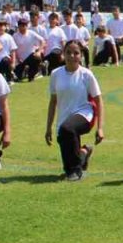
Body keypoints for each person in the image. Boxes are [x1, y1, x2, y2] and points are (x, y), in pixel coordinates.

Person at [44, 41, 105, 182]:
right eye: (68, 52)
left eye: (76, 53)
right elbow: (53, 102)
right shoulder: (55, 74)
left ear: (81, 55)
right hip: (64, 119)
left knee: (68, 129)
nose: (72, 56)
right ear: (63, 54)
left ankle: (76, 172)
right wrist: (48, 128)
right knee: (66, 142)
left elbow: (99, 100)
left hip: (85, 114)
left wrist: (100, 128)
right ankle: (84, 153)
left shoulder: (86, 75)